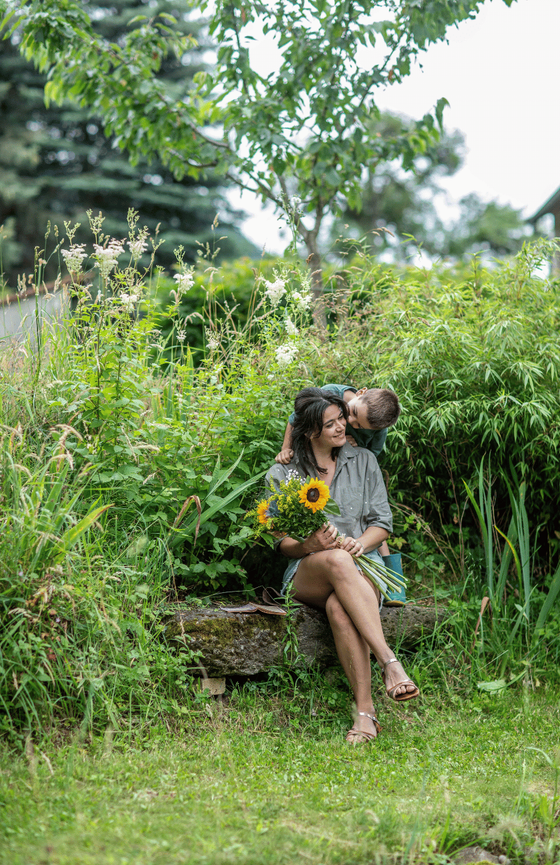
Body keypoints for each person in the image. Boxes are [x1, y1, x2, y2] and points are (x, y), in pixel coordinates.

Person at [266, 387, 418, 746]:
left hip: (365, 566)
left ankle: (365, 715)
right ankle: (389, 662)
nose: (341, 428)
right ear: (310, 432)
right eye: (330, 424)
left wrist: (360, 543)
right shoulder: (283, 473)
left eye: (341, 419)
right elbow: (278, 540)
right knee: (335, 559)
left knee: (339, 607)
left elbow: (382, 524)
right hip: (309, 572)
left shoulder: (364, 460)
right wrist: (308, 545)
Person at [275, 383, 405, 603]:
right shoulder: (331, 394)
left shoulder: (373, 437)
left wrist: (351, 452)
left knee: (370, 516)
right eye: (350, 414)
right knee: (341, 558)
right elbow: (296, 418)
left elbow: (369, 461)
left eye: (358, 425)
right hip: (317, 563)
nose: (350, 423)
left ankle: (393, 574)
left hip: (350, 467)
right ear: (360, 393)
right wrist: (286, 448)